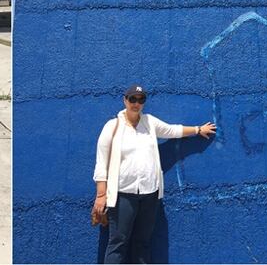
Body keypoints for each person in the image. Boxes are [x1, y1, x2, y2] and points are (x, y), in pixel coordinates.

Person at [92, 84, 216, 264]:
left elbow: (172, 130)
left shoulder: (149, 122)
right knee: (118, 242)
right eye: (132, 99)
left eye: (141, 99)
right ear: (125, 100)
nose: (136, 103)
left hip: (150, 195)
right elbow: (101, 162)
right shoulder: (112, 127)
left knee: (143, 243)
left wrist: (198, 129)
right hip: (123, 195)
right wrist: (101, 195)